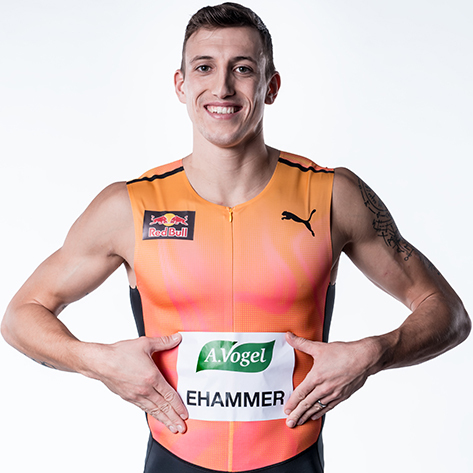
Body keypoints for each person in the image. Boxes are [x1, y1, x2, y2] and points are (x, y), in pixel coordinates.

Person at [1, 3, 470, 472]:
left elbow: (447, 312)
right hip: (175, 458)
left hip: (292, 458)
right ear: (181, 85)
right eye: (204, 67)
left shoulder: (333, 196)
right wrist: (98, 362)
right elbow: (21, 315)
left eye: (242, 69)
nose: (222, 87)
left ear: (271, 86)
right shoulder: (129, 207)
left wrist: (374, 353)